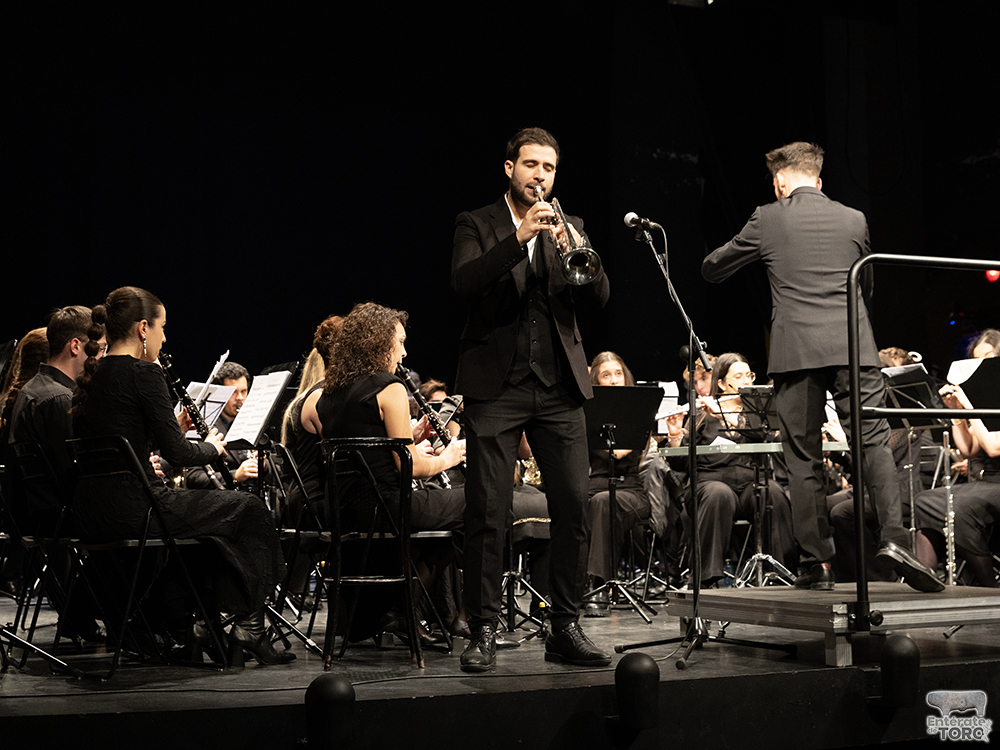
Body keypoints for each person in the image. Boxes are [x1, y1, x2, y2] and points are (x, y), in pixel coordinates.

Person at [702, 141, 941, 592]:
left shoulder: (767, 217)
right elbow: (865, 284)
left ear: (779, 183)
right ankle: (894, 540)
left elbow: (714, 268)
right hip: (855, 346)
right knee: (873, 444)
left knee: (804, 457)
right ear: (819, 180)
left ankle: (818, 564)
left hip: (797, 352)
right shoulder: (854, 218)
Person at [452, 126, 611, 671]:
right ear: (509, 169)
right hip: (497, 388)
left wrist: (574, 249)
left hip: (560, 388)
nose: (539, 176)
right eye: (530, 165)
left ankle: (564, 625)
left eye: (548, 168)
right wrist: (518, 237)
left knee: (573, 507)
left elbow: (602, 291)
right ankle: (483, 630)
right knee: (488, 511)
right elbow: (465, 282)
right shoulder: (477, 223)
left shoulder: (571, 225)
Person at [71, 286, 293, 664]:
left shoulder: (91, 377)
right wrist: (214, 448)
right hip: (139, 508)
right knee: (250, 508)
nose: (165, 337)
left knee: (215, 533)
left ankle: (201, 629)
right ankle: (248, 629)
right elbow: (178, 451)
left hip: (93, 511)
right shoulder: (144, 373)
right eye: (162, 328)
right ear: (143, 328)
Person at [663, 352, 796, 587]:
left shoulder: (759, 413)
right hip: (709, 485)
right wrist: (674, 435)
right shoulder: (702, 415)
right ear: (722, 383)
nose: (746, 380)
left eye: (749, 375)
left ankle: (780, 571)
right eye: (739, 376)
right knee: (719, 494)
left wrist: (727, 417)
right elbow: (681, 464)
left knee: (772, 492)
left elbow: (763, 437)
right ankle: (706, 576)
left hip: (749, 483)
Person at [913, 329, 1000, 587]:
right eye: (976, 359)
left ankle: (988, 588)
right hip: (986, 483)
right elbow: (969, 450)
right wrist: (955, 413)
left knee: (958, 508)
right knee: (925, 500)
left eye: (989, 357)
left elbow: (994, 448)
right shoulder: (984, 396)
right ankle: (926, 581)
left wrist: (972, 409)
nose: (982, 365)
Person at [583, 351, 652, 614]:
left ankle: (598, 587)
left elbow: (618, 452)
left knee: (601, 503)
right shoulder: (586, 411)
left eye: (618, 374)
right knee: (565, 504)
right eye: (606, 375)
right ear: (596, 381)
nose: (614, 380)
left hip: (629, 489)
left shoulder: (639, 410)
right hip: (593, 484)